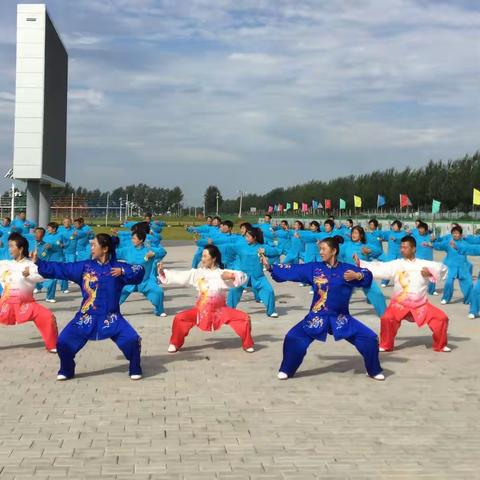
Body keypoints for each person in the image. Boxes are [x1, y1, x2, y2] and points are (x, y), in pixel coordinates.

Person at [262, 236, 384, 381]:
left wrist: (357, 275)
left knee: (369, 338)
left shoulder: (346, 269)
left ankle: (373, 370)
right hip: (317, 318)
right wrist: (271, 267)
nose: (320, 252)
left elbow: (367, 274)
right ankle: (287, 369)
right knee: (293, 338)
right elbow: (294, 270)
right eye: (320, 249)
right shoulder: (314, 268)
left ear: (333, 251)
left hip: (341, 318)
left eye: (323, 249)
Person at [34, 233, 146, 381]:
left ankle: (135, 368)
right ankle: (66, 369)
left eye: (94, 245)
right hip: (86, 317)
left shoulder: (117, 268)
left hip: (111, 317)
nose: (91, 248)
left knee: (132, 340)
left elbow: (139, 270)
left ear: (105, 249)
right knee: (63, 342)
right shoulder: (85, 267)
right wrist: (39, 263)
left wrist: (124, 271)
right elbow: (62, 268)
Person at [356, 235, 451, 353]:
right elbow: (380, 267)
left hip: (420, 305)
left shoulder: (424, 264)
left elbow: (443, 269)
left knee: (441, 318)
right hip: (399, 304)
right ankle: (386, 344)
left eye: (405, 247)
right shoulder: (397, 264)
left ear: (414, 249)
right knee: (387, 318)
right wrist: (361, 263)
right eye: (401, 247)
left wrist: (430, 272)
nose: (402, 250)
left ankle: (440, 345)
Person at [158, 245, 254, 353]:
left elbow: (243, 277)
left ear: (214, 258)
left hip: (221, 311)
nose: (202, 259)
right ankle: (175, 343)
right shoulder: (198, 273)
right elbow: (181, 276)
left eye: (204, 256)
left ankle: (247, 344)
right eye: (202, 256)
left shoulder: (222, 273)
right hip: (201, 310)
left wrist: (232, 276)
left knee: (244, 318)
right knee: (179, 318)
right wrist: (163, 273)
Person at [0, 233, 57, 352]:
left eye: (12, 246)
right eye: (9, 246)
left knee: (48, 317)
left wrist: (29, 274)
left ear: (20, 249)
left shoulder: (31, 265)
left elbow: (43, 276)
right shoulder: (5, 264)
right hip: (5, 303)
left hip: (26, 304)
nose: (9, 249)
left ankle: (52, 345)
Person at [117, 228, 166, 317]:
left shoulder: (148, 250)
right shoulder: (128, 250)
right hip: (129, 279)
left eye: (134, 239)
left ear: (141, 240)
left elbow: (163, 252)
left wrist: (154, 254)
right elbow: (116, 253)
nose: (132, 240)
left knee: (158, 292)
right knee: (116, 291)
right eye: (132, 238)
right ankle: (113, 310)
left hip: (145, 281)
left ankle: (159, 310)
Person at [433, 225, 472, 305]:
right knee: (448, 283)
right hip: (451, 266)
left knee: (469, 283)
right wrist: (432, 243)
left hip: (463, 267)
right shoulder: (448, 243)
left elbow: (473, 248)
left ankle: (468, 299)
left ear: (460, 234)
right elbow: (440, 246)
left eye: (457, 233)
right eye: (453, 233)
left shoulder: (465, 243)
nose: (455, 235)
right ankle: (446, 299)